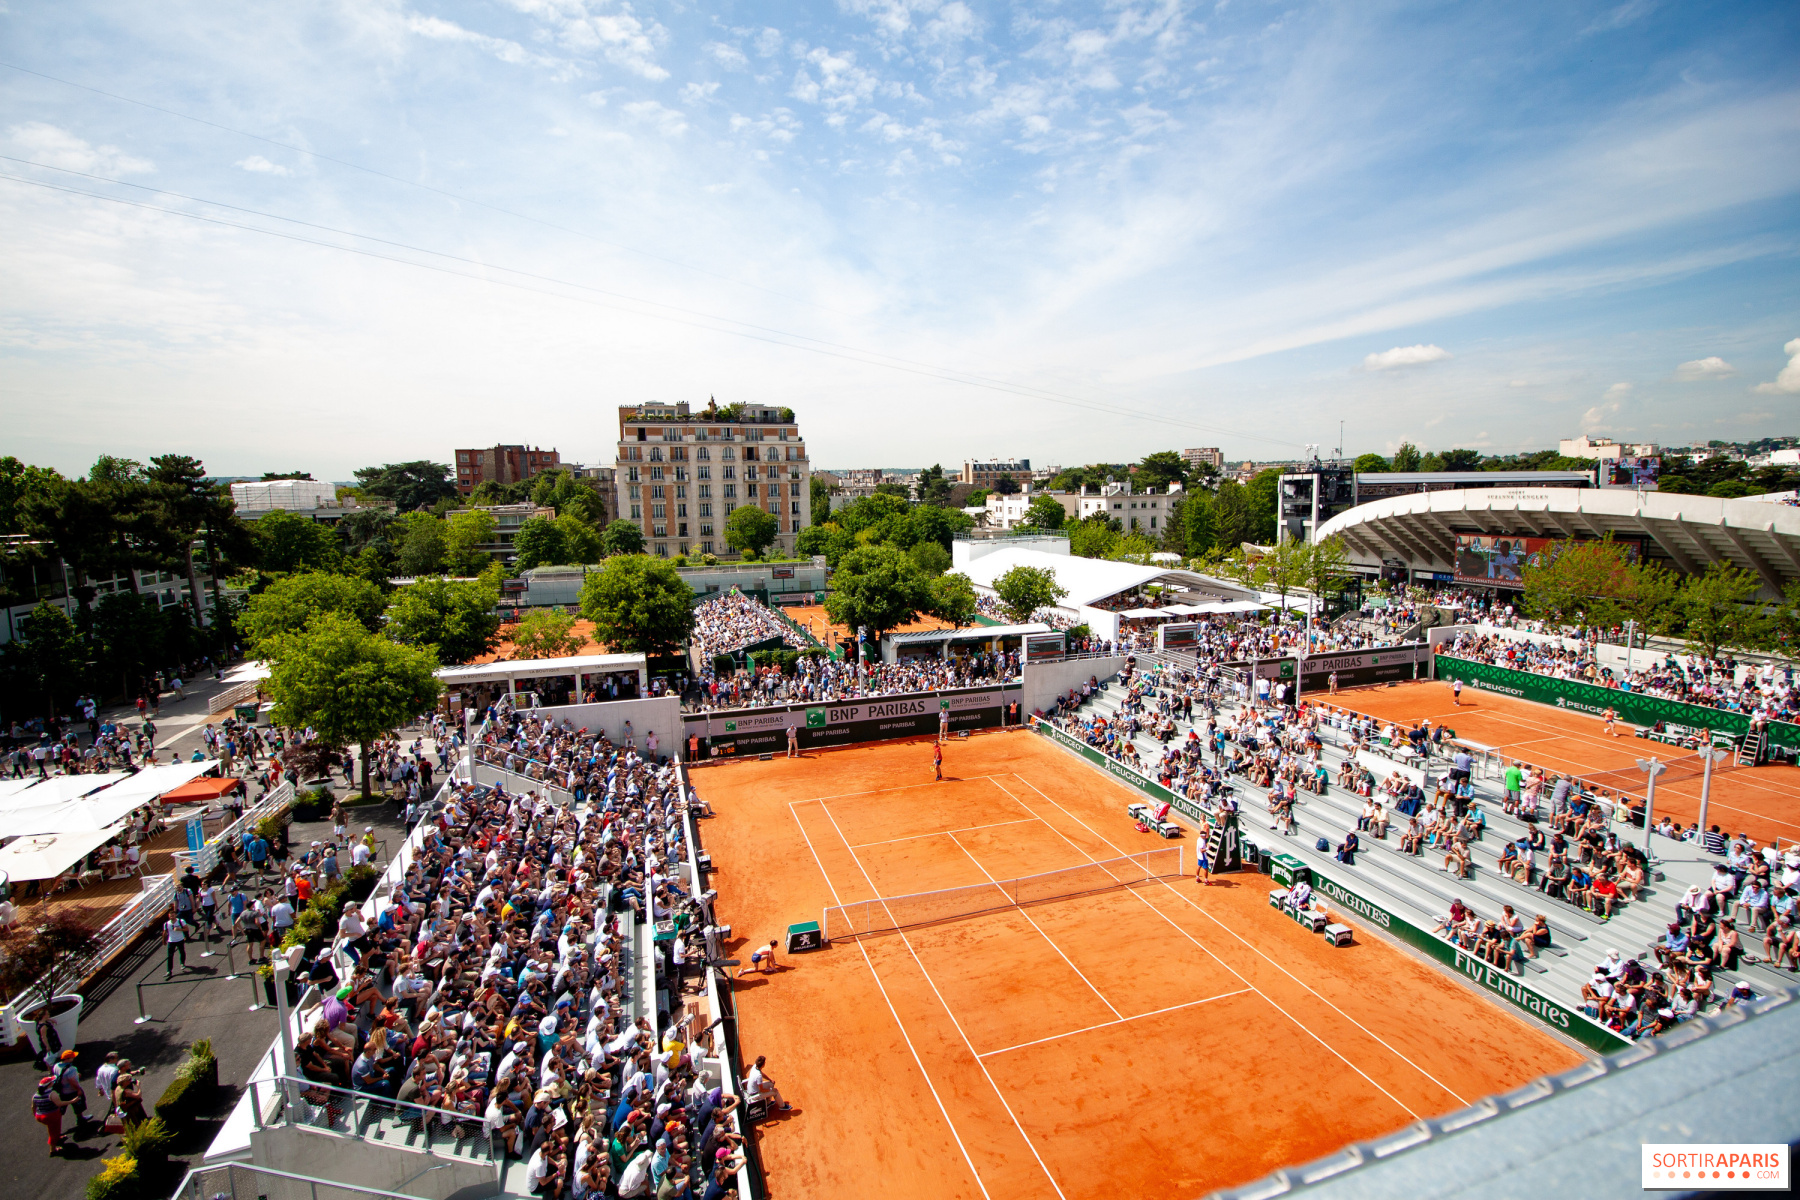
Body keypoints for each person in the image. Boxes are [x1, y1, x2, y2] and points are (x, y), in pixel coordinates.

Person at [164, 910, 190, 979]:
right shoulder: (167, 924)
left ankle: (182, 963)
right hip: (171, 941)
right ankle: (169, 971)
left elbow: (186, 929)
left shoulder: (181, 921)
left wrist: (179, 929)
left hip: (180, 939)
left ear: (176, 915)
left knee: (182, 951)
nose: (171, 917)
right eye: (170, 915)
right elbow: (165, 932)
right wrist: (164, 940)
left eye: (173, 915)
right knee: (170, 956)